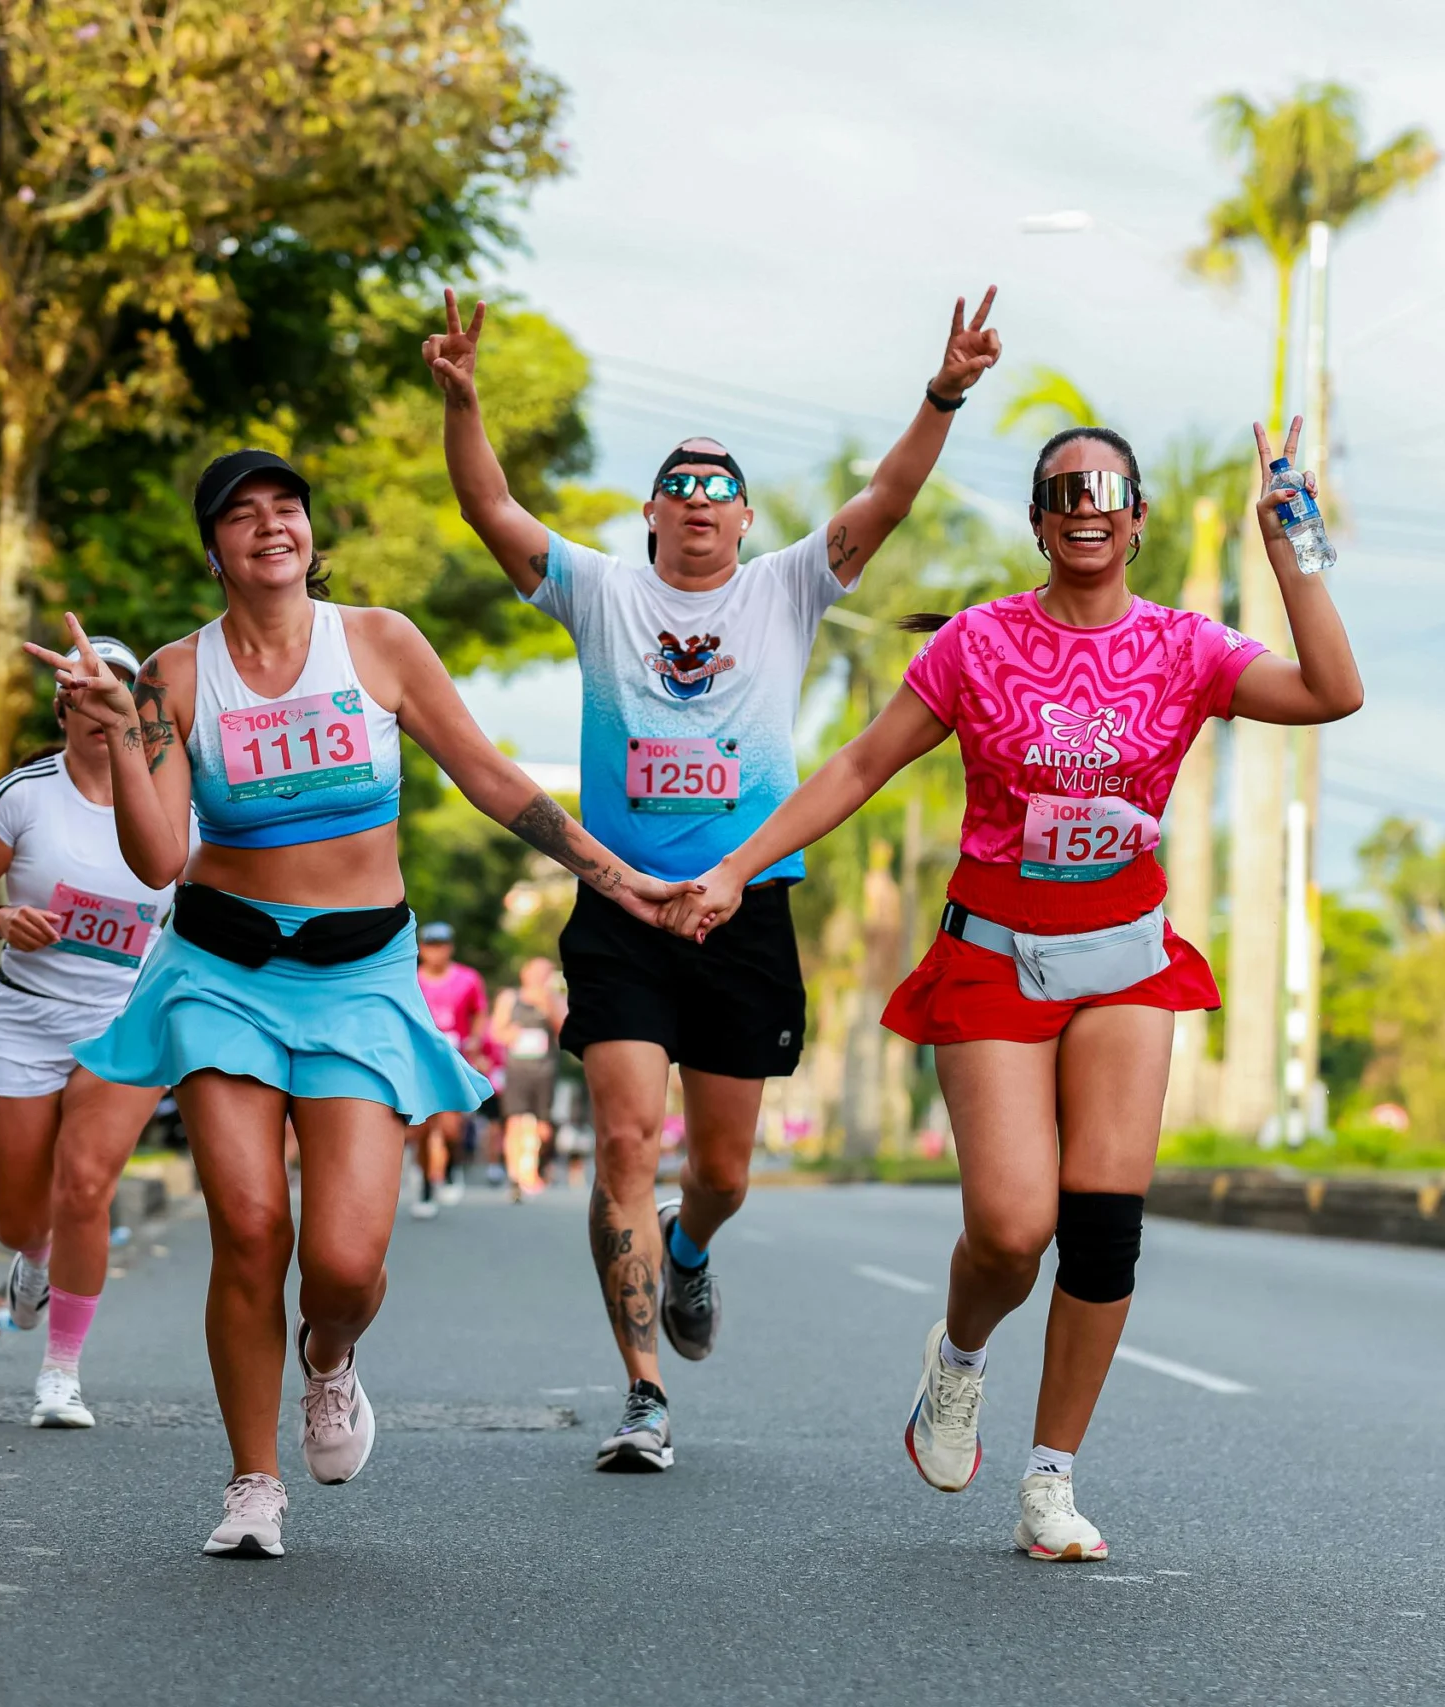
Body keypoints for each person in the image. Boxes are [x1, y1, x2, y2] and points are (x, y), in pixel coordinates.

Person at [664, 419, 1364, 1559]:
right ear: (1039, 522)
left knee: (1099, 1230)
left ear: (1135, 517)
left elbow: (1333, 692)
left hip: (1125, 957)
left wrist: (1292, 539)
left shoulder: (1185, 648)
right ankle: (958, 1356)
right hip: (995, 952)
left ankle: (1051, 1475)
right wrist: (734, 869)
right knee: (1009, 1228)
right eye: (1060, 490)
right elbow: (855, 765)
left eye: (1107, 489)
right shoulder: (980, 645)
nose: (1085, 504)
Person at [31, 449, 686, 1560]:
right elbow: (154, 862)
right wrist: (117, 732)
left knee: (341, 1263)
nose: (268, 525)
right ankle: (251, 1484)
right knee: (248, 1225)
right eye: (240, 515)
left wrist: (617, 878)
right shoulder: (175, 678)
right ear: (216, 550)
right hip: (223, 973)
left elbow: (489, 776)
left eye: (285, 505)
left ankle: (326, 1360)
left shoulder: (378, 642)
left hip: (360, 980)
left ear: (307, 533)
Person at [428, 285, 1002, 1472]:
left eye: (716, 491)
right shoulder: (597, 591)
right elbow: (487, 505)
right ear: (649, 515)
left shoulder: (787, 588)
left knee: (723, 1173)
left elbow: (886, 500)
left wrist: (942, 391)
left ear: (744, 519)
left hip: (747, 909)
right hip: (621, 909)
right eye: (676, 489)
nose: (696, 506)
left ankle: (691, 1251)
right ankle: (643, 1396)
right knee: (628, 1142)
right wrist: (464, 400)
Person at [0, 635, 178, 1429]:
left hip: (123, 1021)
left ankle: (61, 1374)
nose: (97, 703)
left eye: (114, 687)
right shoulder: (25, 795)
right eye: (81, 689)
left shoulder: (174, 797)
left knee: (85, 1186)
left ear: (136, 707)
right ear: (64, 706)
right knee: (19, 1216)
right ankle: (31, 1258)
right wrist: (3, 915)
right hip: (23, 1016)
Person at [411, 921, 492, 1220]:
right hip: (421, 1061)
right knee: (421, 1129)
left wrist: (475, 1040)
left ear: (450, 947)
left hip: (454, 1059)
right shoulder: (412, 979)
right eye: (430, 945)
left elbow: (480, 1012)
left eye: (442, 945)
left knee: (449, 1128)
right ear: (421, 949)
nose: (436, 952)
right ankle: (425, 1189)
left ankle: (449, 1168)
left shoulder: (468, 979)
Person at [491, 957, 566, 1199]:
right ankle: (518, 1174)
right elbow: (496, 1031)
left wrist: (547, 1003)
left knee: (542, 1127)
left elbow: (564, 1031)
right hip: (517, 1070)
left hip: (544, 1070)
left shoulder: (553, 999)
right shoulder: (509, 998)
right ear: (525, 973)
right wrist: (508, 1033)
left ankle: (537, 1167)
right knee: (515, 1122)